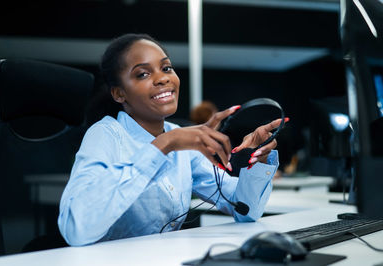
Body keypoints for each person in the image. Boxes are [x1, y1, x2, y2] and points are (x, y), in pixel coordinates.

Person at [58, 33, 281, 246]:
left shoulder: (177, 136)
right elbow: (76, 230)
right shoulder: (106, 134)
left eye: (166, 68)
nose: (162, 78)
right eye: (143, 74)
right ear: (119, 93)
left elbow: (244, 209)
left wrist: (257, 162)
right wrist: (163, 145)